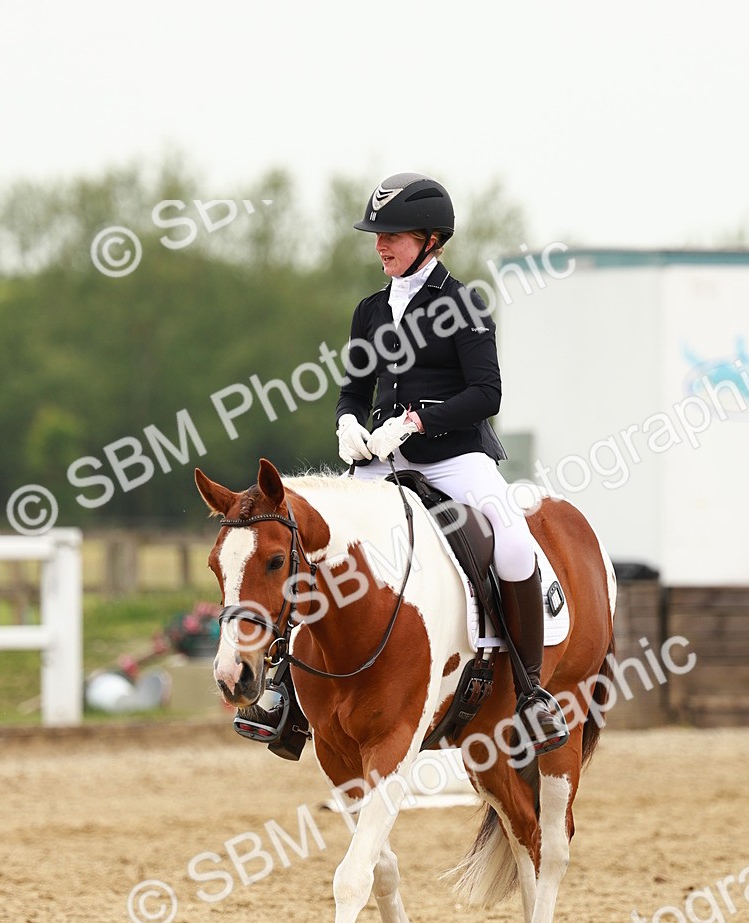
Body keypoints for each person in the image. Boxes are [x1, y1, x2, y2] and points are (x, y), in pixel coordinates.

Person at [237, 171, 567, 760]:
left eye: (394, 236)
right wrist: (347, 423)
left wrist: (418, 421)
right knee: (316, 546)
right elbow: (352, 389)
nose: (381, 246)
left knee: (515, 545)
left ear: (431, 239)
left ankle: (531, 690)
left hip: (453, 459)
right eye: (377, 235)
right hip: (380, 467)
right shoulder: (369, 311)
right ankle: (286, 691)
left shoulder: (463, 304)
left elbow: (486, 394)